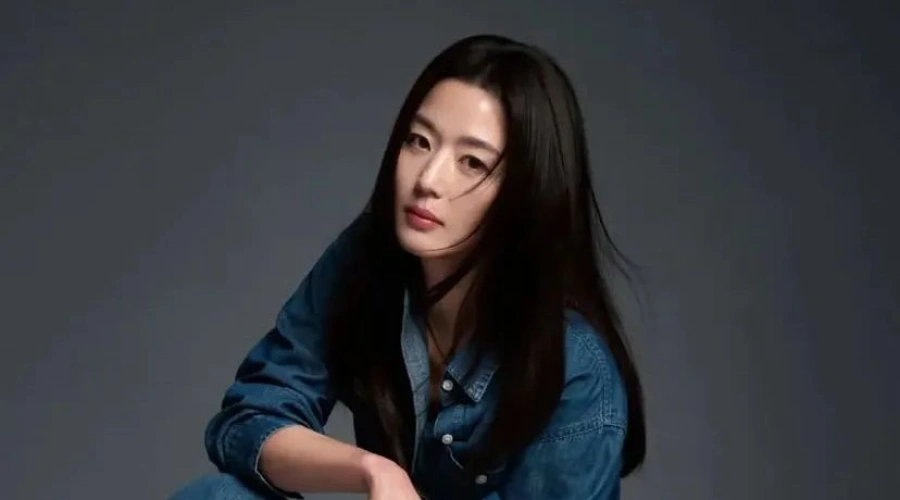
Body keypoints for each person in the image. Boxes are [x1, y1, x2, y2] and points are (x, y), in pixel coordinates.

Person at [170, 33, 646, 500]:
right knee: (219, 496)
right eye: (419, 141)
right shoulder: (369, 258)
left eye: (472, 163)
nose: (428, 179)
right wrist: (373, 470)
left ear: (527, 194)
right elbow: (251, 417)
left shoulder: (575, 372)